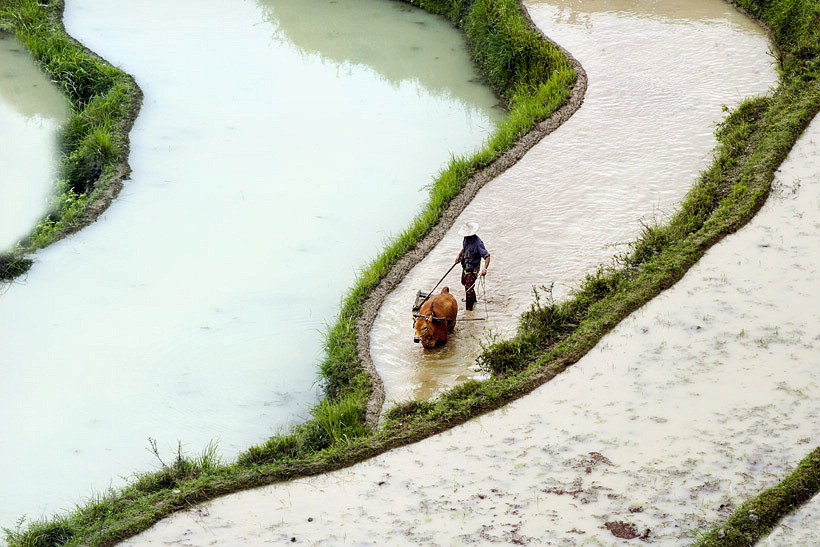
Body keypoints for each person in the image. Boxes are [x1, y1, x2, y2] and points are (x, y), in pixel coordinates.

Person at [454, 221, 490, 311]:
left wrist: (484, 269)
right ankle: (474, 300)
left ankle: (469, 310)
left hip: (473, 268)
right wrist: (459, 256)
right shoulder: (466, 240)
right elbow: (464, 248)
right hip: (465, 266)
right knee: (464, 282)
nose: (465, 237)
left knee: (468, 288)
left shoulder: (478, 244)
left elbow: (487, 256)